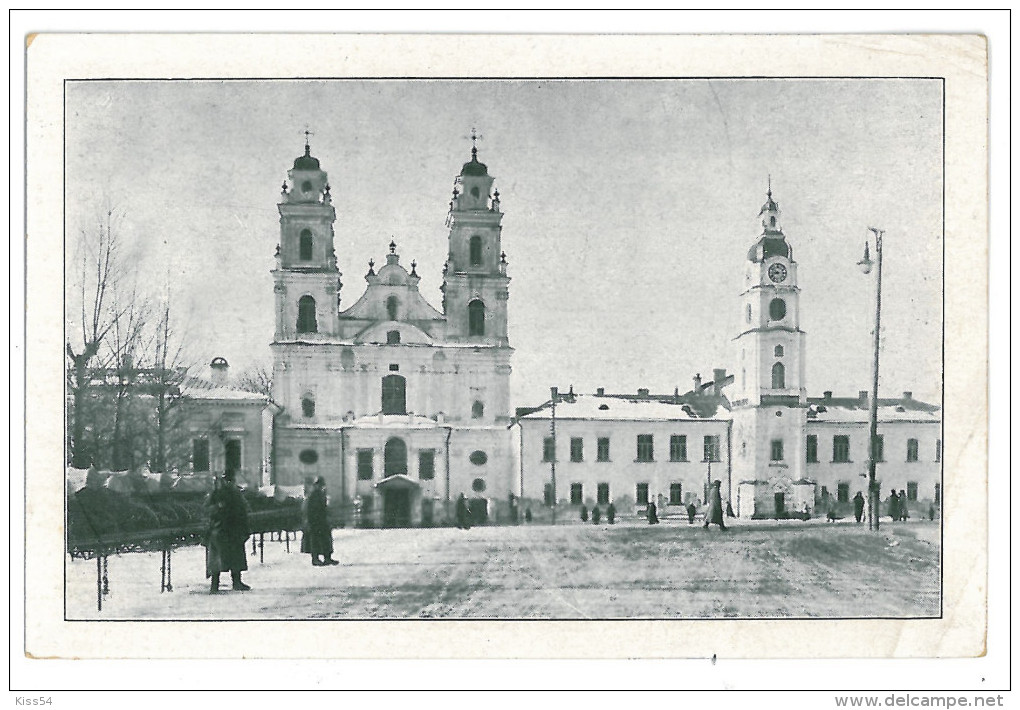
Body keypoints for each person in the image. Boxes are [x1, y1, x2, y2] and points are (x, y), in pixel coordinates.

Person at [205, 469, 252, 593]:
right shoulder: (222, 492)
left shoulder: (229, 492)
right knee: (222, 557)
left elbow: (242, 510)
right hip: (223, 528)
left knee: (226, 557)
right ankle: (218, 584)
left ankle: (227, 583)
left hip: (226, 528)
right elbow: (208, 509)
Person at [302, 476, 338, 566]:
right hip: (315, 521)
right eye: (320, 485)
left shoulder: (321, 494)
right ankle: (315, 559)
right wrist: (311, 521)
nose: (321, 487)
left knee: (326, 540)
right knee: (315, 540)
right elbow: (310, 510)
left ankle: (327, 558)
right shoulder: (314, 495)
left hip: (322, 520)